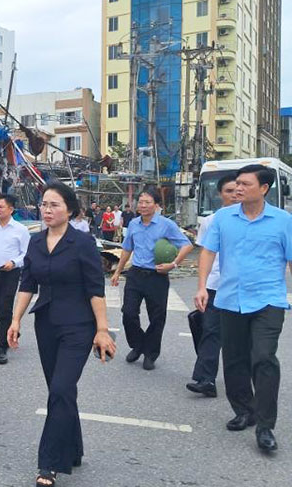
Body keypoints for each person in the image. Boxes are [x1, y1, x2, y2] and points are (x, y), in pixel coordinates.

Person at [7, 181, 116, 487]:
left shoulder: (82, 243)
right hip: (47, 324)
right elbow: (27, 284)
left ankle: (49, 462)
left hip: (78, 326)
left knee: (60, 389)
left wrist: (102, 329)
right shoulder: (35, 242)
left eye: (54, 204)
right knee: (61, 392)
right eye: (44, 204)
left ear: (70, 210)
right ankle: (75, 448)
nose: (47, 209)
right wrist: (15, 321)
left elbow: (96, 289)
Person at [195, 164, 292, 452]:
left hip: (268, 300)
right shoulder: (222, 218)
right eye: (237, 183)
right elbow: (209, 251)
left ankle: (265, 426)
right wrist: (201, 286)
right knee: (234, 361)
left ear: (263, 189)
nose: (238, 188)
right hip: (230, 298)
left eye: (245, 184)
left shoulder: (283, 220)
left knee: (263, 358)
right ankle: (244, 410)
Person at [111, 188, 193, 370]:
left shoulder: (166, 225)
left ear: (156, 205)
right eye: (140, 202)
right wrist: (118, 271)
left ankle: (150, 353)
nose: (142, 205)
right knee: (129, 313)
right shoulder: (133, 224)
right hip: (136, 274)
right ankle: (139, 345)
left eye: (147, 202)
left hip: (157, 276)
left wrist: (173, 264)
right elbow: (127, 248)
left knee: (157, 317)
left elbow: (186, 245)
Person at [186, 174, 238, 398]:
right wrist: (202, 286)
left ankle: (246, 379)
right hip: (216, 285)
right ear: (220, 194)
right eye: (229, 191)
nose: (235, 194)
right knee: (210, 330)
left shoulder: (253, 219)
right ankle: (206, 379)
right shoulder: (211, 221)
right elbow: (205, 254)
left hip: (242, 287)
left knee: (241, 337)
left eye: (238, 189)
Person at [0, 194, 31, 365]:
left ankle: (2, 346)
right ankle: (10, 328)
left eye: (1, 207)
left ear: (11, 209)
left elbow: (26, 254)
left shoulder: (20, 230)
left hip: (10, 273)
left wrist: (14, 262)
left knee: (4, 307)